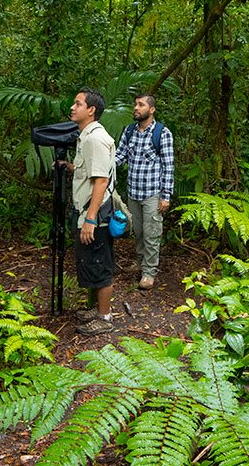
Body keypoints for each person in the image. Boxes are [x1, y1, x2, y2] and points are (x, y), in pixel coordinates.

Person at [59, 88, 117, 336]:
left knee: (99, 263)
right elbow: (89, 171)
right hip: (87, 212)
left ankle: (105, 318)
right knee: (90, 262)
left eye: (78, 103)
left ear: (91, 110)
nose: (73, 107)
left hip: (95, 215)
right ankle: (95, 309)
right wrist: (70, 167)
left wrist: (90, 219)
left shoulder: (95, 139)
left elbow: (101, 181)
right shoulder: (86, 137)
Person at [115, 93, 174, 290]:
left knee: (152, 233)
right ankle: (140, 263)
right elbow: (120, 156)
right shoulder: (129, 131)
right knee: (138, 232)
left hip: (152, 194)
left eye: (141, 105)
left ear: (152, 109)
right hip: (133, 192)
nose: (136, 108)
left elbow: (168, 166)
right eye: (135, 105)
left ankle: (149, 272)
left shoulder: (161, 133)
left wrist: (166, 196)